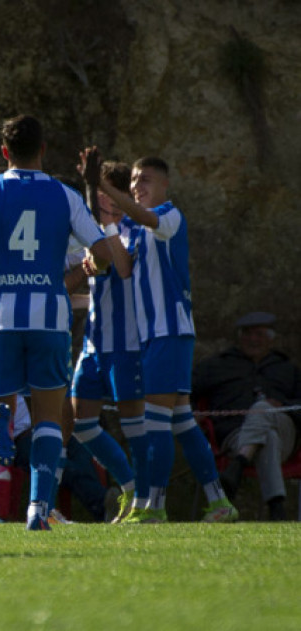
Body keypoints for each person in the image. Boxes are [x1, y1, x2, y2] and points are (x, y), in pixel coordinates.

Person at [0, 114, 120, 530]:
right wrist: (89, 265)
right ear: (43, 150)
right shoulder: (64, 196)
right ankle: (38, 510)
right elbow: (102, 250)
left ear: (4, 152)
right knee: (49, 416)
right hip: (49, 317)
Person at [99, 155, 238, 523]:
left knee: (155, 422)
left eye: (144, 180)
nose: (136, 186)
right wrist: (108, 224)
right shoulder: (133, 225)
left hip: (170, 331)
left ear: (165, 186)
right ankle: (219, 502)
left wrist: (107, 190)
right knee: (182, 422)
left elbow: (149, 219)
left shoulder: (170, 216)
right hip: (155, 336)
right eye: (132, 180)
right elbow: (124, 270)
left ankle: (154, 508)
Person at [71, 154, 146, 523]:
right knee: (80, 422)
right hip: (93, 344)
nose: (99, 203)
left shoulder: (133, 229)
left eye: (103, 195)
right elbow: (87, 276)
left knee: (135, 426)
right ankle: (131, 487)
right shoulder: (90, 234)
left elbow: (121, 269)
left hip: (127, 345)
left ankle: (147, 501)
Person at [193, 311, 301, 520]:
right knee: (268, 438)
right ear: (240, 337)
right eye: (248, 334)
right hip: (234, 435)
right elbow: (185, 391)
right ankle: (276, 508)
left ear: (270, 339)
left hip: (285, 432)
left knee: (263, 409)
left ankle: (238, 465)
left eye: (259, 334)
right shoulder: (216, 366)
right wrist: (192, 413)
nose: (253, 339)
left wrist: (283, 405)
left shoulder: (287, 370)